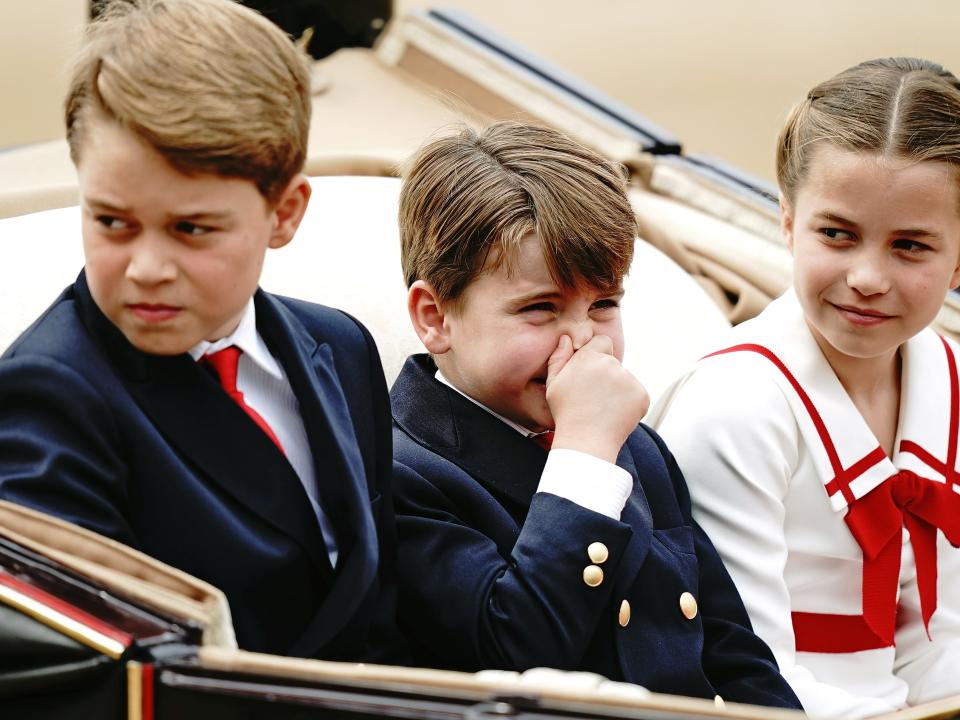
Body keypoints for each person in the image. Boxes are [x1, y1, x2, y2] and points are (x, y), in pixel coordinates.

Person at [0, 0, 402, 662]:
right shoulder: (47, 399)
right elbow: (76, 675)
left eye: (191, 229)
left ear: (285, 212)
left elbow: (378, 602)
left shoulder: (343, 349)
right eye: (111, 222)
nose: (147, 269)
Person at [389, 121, 802, 708]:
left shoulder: (636, 447)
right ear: (434, 317)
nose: (583, 341)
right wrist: (583, 451)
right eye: (540, 309)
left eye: (604, 304)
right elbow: (514, 647)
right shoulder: (398, 474)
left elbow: (733, 654)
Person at [649, 57, 960, 718]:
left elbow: (939, 640)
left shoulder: (950, 380)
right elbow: (743, 673)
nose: (869, 276)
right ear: (787, 220)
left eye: (911, 246)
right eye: (837, 235)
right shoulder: (735, 407)